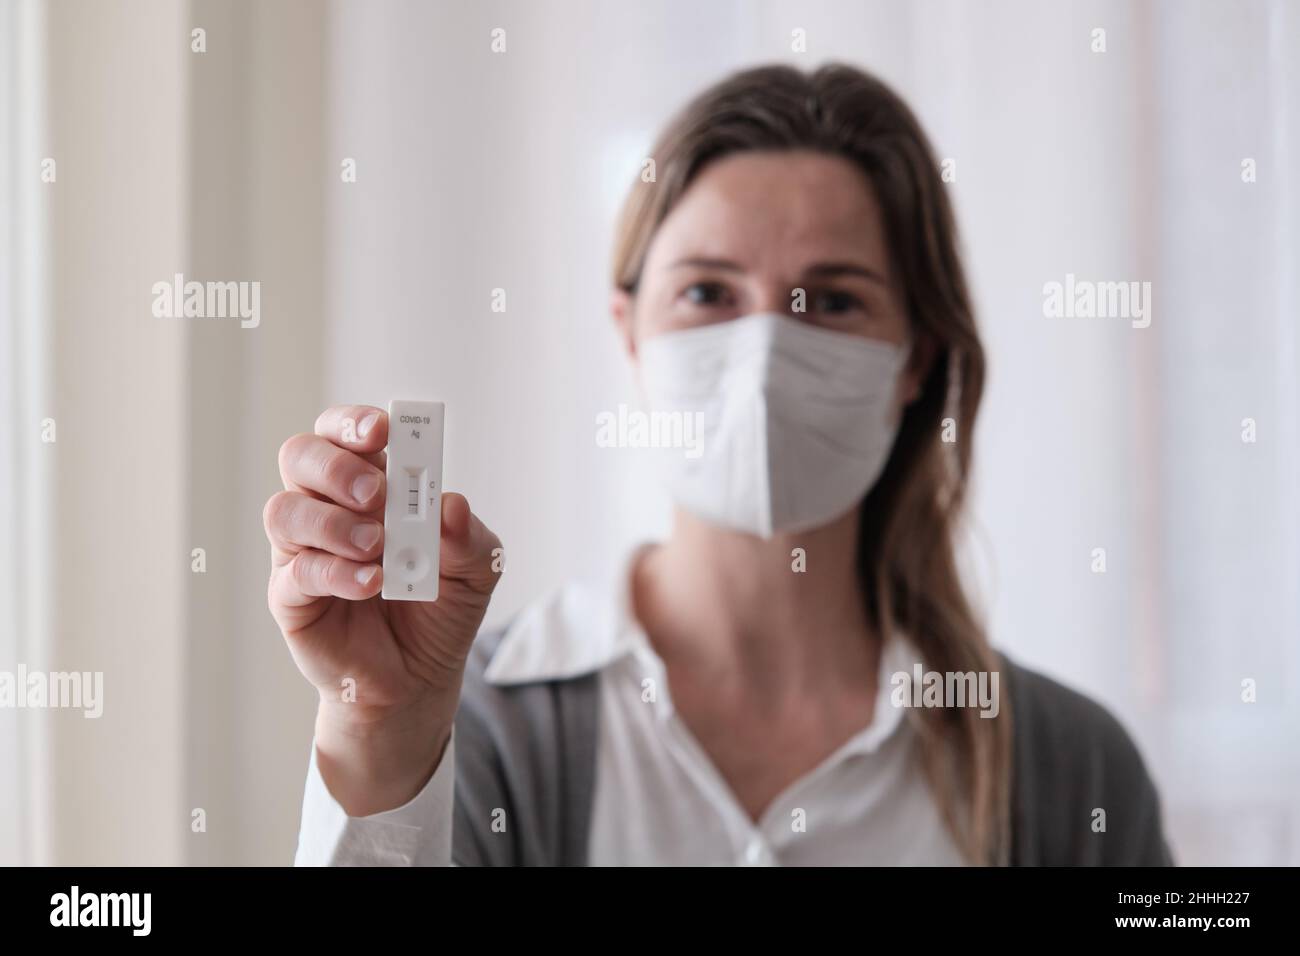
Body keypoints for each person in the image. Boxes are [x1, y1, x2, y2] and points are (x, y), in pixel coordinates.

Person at [267, 62, 1173, 866]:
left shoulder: (1069, 770)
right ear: (630, 332)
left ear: (916, 359)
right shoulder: (479, 725)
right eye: (707, 292)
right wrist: (381, 735)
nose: (764, 354)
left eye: (832, 300)